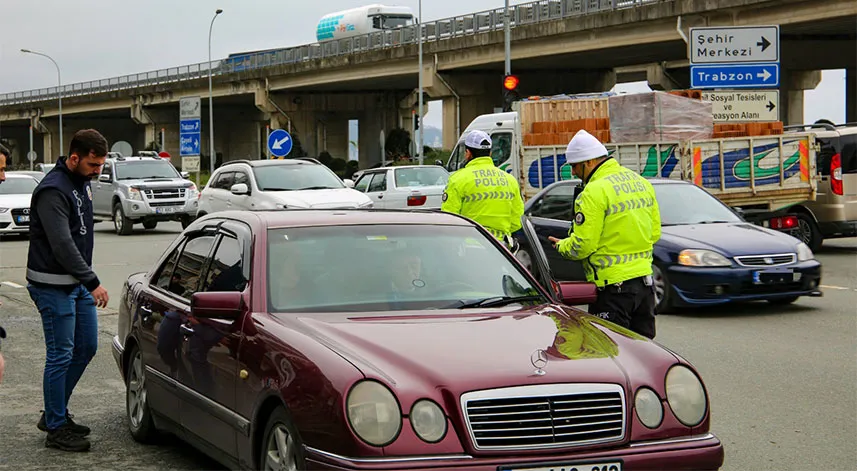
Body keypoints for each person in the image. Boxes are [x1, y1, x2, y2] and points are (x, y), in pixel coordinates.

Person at [26, 129, 110, 452]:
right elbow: (62, 244)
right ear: (74, 158)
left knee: (86, 346)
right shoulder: (53, 190)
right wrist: (93, 282)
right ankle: (56, 428)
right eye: (93, 164)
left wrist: (84, 281)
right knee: (60, 353)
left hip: (76, 284)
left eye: (101, 165)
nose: (97, 171)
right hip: (52, 285)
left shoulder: (82, 182)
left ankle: (54, 412)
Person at [547, 130, 661, 339]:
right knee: (643, 349)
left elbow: (583, 246)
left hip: (613, 291)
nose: (573, 172)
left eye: (574, 166)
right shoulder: (641, 182)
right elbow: (654, 233)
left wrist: (562, 246)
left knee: (610, 350)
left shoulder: (593, 192)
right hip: (645, 286)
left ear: (589, 162)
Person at [441, 130, 524, 250]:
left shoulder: (457, 179)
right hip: (501, 249)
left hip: (470, 248)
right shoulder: (510, 180)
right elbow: (517, 221)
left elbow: (449, 219)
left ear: (468, 153)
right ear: (490, 153)